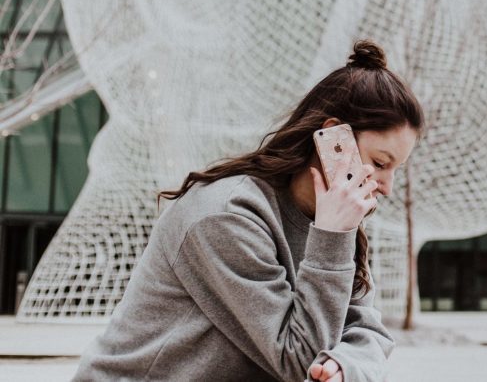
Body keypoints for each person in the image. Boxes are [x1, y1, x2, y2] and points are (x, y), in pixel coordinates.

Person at [73, 40, 425, 382]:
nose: (387, 186)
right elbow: (298, 360)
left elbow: (366, 329)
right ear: (334, 138)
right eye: (380, 163)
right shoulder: (227, 217)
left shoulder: (334, 221)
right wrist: (332, 239)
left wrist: (344, 365)